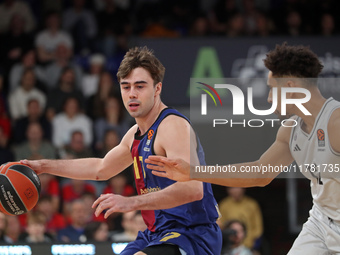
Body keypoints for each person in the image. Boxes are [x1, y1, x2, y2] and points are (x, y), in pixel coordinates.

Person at [21, 46, 222, 255]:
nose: (132, 94)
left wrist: (130, 202)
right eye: (126, 87)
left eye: (140, 86)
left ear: (157, 89)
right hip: (156, 233)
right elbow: (100, 168)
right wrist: (43, 166)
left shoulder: (172, 126)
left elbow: (192, 189)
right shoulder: (135, 133)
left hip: (192, 235)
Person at [146, 43, 340, 254]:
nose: (268, 98)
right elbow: (259, 173)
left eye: (272, 89)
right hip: (320, 222)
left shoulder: (335, 122)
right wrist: (193, 172)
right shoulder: (290, 130)